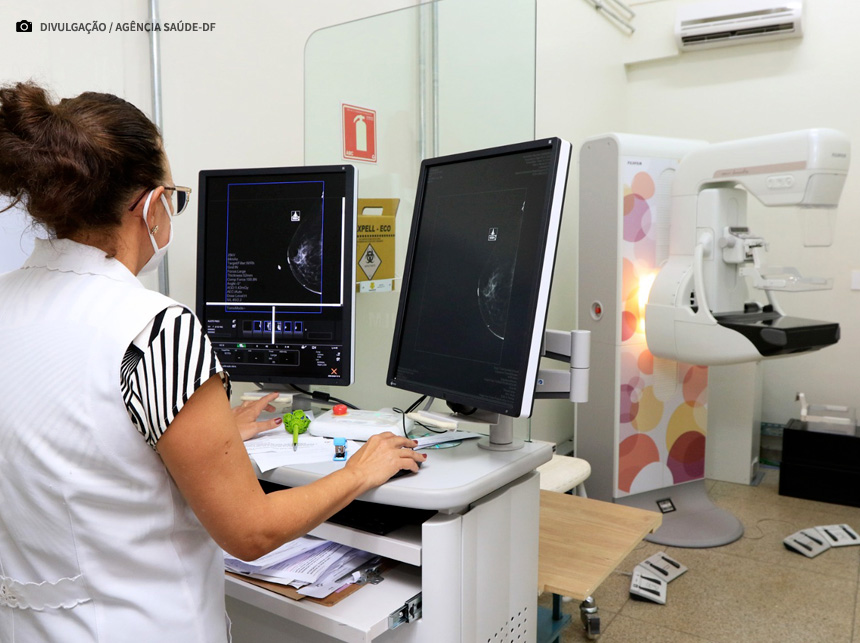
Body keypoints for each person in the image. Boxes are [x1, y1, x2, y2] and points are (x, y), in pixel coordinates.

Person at [0, 82, 424, 643]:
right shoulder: (155, 329)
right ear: (152, 205)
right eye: (173, 196)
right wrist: (357, 473)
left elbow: (73, 441)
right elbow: (249, 533)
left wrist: (211, 431)